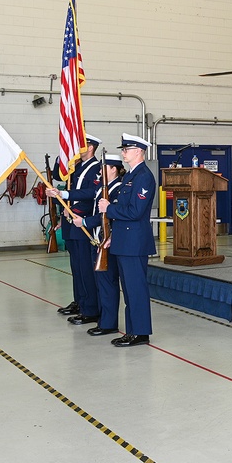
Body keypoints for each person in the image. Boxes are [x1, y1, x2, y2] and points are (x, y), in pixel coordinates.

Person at [99, 133, 157, 348]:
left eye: (127, 149)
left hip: (134, 243)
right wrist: (114, 235)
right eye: (123, 149)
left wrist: (109, 208)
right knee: (129, 290)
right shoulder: (130, 176)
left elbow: (135, 211)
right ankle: (133, 330)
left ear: (139, 151)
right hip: (125, 241)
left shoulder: (143, 177)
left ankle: (140, 332)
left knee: (136, 289)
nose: (123, 152)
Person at [48, 134, 102, 324]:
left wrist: (68, 201)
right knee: (76, 267)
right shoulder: (77, 166)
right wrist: (61, 157)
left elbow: (91, 194)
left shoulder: (97, 168)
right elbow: (57, 175)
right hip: (71, 221)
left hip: (83, 220)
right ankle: (80, 301)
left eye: (81, 145)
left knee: (86, 267)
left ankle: (90, 308)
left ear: (91, 148)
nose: (77, 148)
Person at [72, 154, 126, 337]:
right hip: (99, 240)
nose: (100, 171)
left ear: (114, 169)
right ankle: (104, 320)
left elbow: (109, 216)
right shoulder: (104, 188)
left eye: (105, 168)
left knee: (107, 283)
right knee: (101, 283)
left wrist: (85, 222)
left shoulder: (117, 189)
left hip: (109, 242)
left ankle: (108, 323)